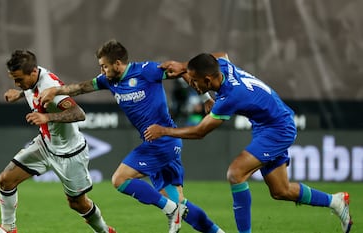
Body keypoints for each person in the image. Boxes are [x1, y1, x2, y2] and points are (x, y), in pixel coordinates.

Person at [144, 53, 353, 233]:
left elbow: (200, 131)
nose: (193, 84)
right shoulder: (222, 66)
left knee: (235, 173)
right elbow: (219, 54)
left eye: (195, 81)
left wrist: (164, 130)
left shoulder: (230, 97)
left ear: (208, 79)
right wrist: (184, 66)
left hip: (278, 129)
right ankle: (336, 202)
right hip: (267, 125)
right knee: (281, 190)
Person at [39, 39, 225, 233]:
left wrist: (206, 99)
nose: (102, 71)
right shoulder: (108, 81)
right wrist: (56, 90)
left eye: (104, 66)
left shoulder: (147, 70)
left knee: (119, 179)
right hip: (158, 143)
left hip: (163, 141)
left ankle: (171, 211)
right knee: (179, 202)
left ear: (117, 64)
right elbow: (81, 87)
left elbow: (184, 71)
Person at [0, 50, 116, 233]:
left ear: (34, 72)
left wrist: (47, 118)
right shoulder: (31, 80)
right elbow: (31, 90)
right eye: (14, 79)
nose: (17, 83)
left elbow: (79, 114)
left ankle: (104, 231)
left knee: (78, 204)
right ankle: (9, 228)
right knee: (6, 180)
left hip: (70, 153)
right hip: (45, 145)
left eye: (19, 80)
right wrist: (19, 93)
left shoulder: (49, 86)